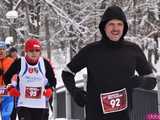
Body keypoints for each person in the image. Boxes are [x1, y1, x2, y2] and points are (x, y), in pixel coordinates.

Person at [62, 5, 157, 120]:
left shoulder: (133, 50)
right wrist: (75, 92)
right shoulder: (91, 50)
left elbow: (152, 81)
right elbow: (67, 72)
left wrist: (139, 81)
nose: (115, 28)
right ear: (104, 27)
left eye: (119, 24)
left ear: (124, 27)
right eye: (111, 24)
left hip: (123, 115)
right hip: (95, 115)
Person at [4, 38, 56, 120]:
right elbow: (6, 76)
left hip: (40, 104)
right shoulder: (19, 62)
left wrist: (50, 89)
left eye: (37, 50)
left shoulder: (44, 63)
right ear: (26, 51)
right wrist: (10, 88)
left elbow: (52, 79)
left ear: (40, 51)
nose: (34, 53)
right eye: (31, 50)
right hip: (23, 104)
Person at [0, 41, 14, 120]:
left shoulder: (10, 61)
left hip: (7, 94)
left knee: (6, 116)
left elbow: (16, 76)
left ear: (6, 50)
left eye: (2, 49)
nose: (1, 51)